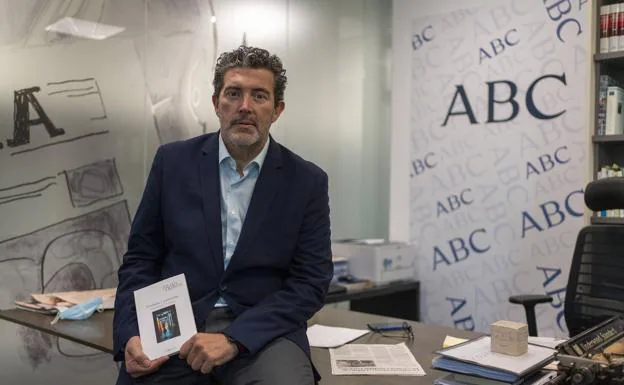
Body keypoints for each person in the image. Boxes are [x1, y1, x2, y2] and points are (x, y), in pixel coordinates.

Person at [113, 45, 333, 385]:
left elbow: (310, 282)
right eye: (234, 94)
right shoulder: (172, 163)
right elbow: (141, 259)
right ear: (217, 103)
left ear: (277, 110)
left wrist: (234, 339)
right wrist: (130, 333)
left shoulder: (306, 181)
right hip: (175, 327)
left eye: (259, 96)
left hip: (263, 332)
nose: (245, 107)